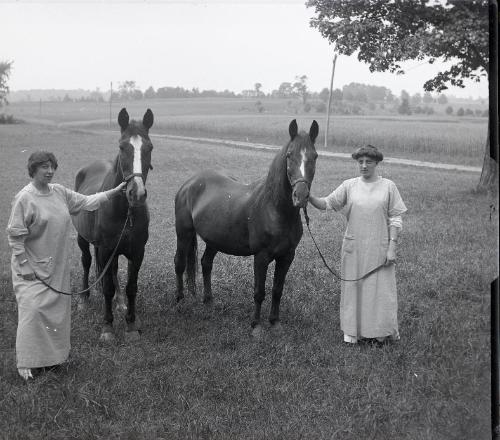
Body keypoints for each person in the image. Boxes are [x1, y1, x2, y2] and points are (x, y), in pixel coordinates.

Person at [6, 151, 126, 380]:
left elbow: (87, 201)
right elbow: (15, 235)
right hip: (31, 269)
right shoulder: (24, 198)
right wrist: (24, 265)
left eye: (52, 167)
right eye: (44, 167)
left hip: (57, 266)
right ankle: (28, 364)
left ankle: (51, 360)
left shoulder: (59, 192)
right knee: (33, 312)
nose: (50, 171)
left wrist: (114, 191)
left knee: (55, 314)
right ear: (33, 170)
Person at [308, 145, 407, 345]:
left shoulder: (389, 186)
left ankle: (380, 333)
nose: (363, 166)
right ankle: (353, 333)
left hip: (379, 248)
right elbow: (326, 203)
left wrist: (392, 247)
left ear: (377, 163)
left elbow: (396, 218)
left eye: (368, 162)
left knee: (380, 291)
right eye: (360, 162)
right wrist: (307, 196)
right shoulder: (349, 186)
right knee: (354, 289)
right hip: (353, 248)